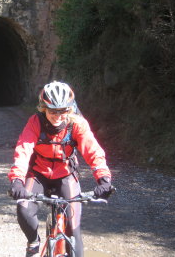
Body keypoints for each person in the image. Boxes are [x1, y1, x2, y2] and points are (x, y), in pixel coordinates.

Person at [8, 81, 112, 257]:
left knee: (73, 229)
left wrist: (104, 179)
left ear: (70, 109)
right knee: (24, 208)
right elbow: (23, 150)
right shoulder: (35, 122)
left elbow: (92, 150)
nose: (58, 116)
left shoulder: (77, 124)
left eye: (63, 110)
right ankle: (33, 242)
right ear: (43, 108)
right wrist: (17, 181)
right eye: (52, 111)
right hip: (39, 173)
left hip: (66, 174)